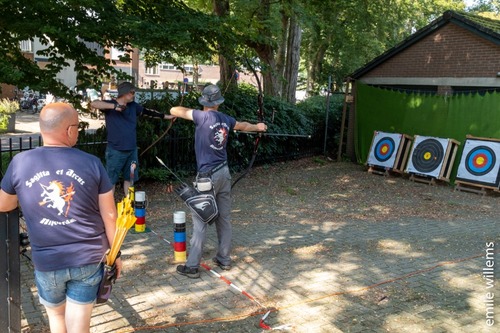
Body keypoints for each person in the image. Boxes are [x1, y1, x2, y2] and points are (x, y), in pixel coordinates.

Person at [0, 102, 122, 333]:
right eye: (77, 126)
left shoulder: (20, 163)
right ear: (68, 130)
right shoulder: (92, 163)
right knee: (79, 322)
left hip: (48, 261)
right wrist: (115, 254)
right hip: (88, 258)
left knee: (57, 318)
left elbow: (4, 204)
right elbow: (109, 215)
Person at [170, 84, 267, 278]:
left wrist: (184, 110)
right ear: (218, 102)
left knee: (200, 221)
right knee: (224, 218)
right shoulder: (226, 119)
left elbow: (174, 110)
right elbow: (244, 126)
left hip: (207, 177)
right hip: (224, 173)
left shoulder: (201, 116)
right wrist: (258, 127)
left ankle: (192, 266)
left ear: (205, 102)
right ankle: (224, 258)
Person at [91, 82, 175, 196]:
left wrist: (166, 116)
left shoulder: (134, 106)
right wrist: (114, 106)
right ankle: (109, 209)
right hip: (115, 151)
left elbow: (148, 112)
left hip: (131, 151)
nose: (134, 95)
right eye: (132, 92)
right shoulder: (110, 105)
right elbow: (94, 103)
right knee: (111, 181)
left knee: (129, 179)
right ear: (124, 93)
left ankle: (129, 206)